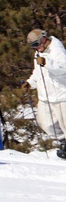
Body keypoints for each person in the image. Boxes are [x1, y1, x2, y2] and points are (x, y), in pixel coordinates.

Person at [23, 29, 66, 159]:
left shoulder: (56, 49)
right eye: (33, 46)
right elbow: (38, 72)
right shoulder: (38, 52)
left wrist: (47, 63)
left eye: (37, 44)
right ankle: (63, 141)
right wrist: (30, 82)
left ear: (43, 39)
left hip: (61, 94)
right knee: (45, 122)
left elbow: (64, 68)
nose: (36, 48)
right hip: (45, 96)